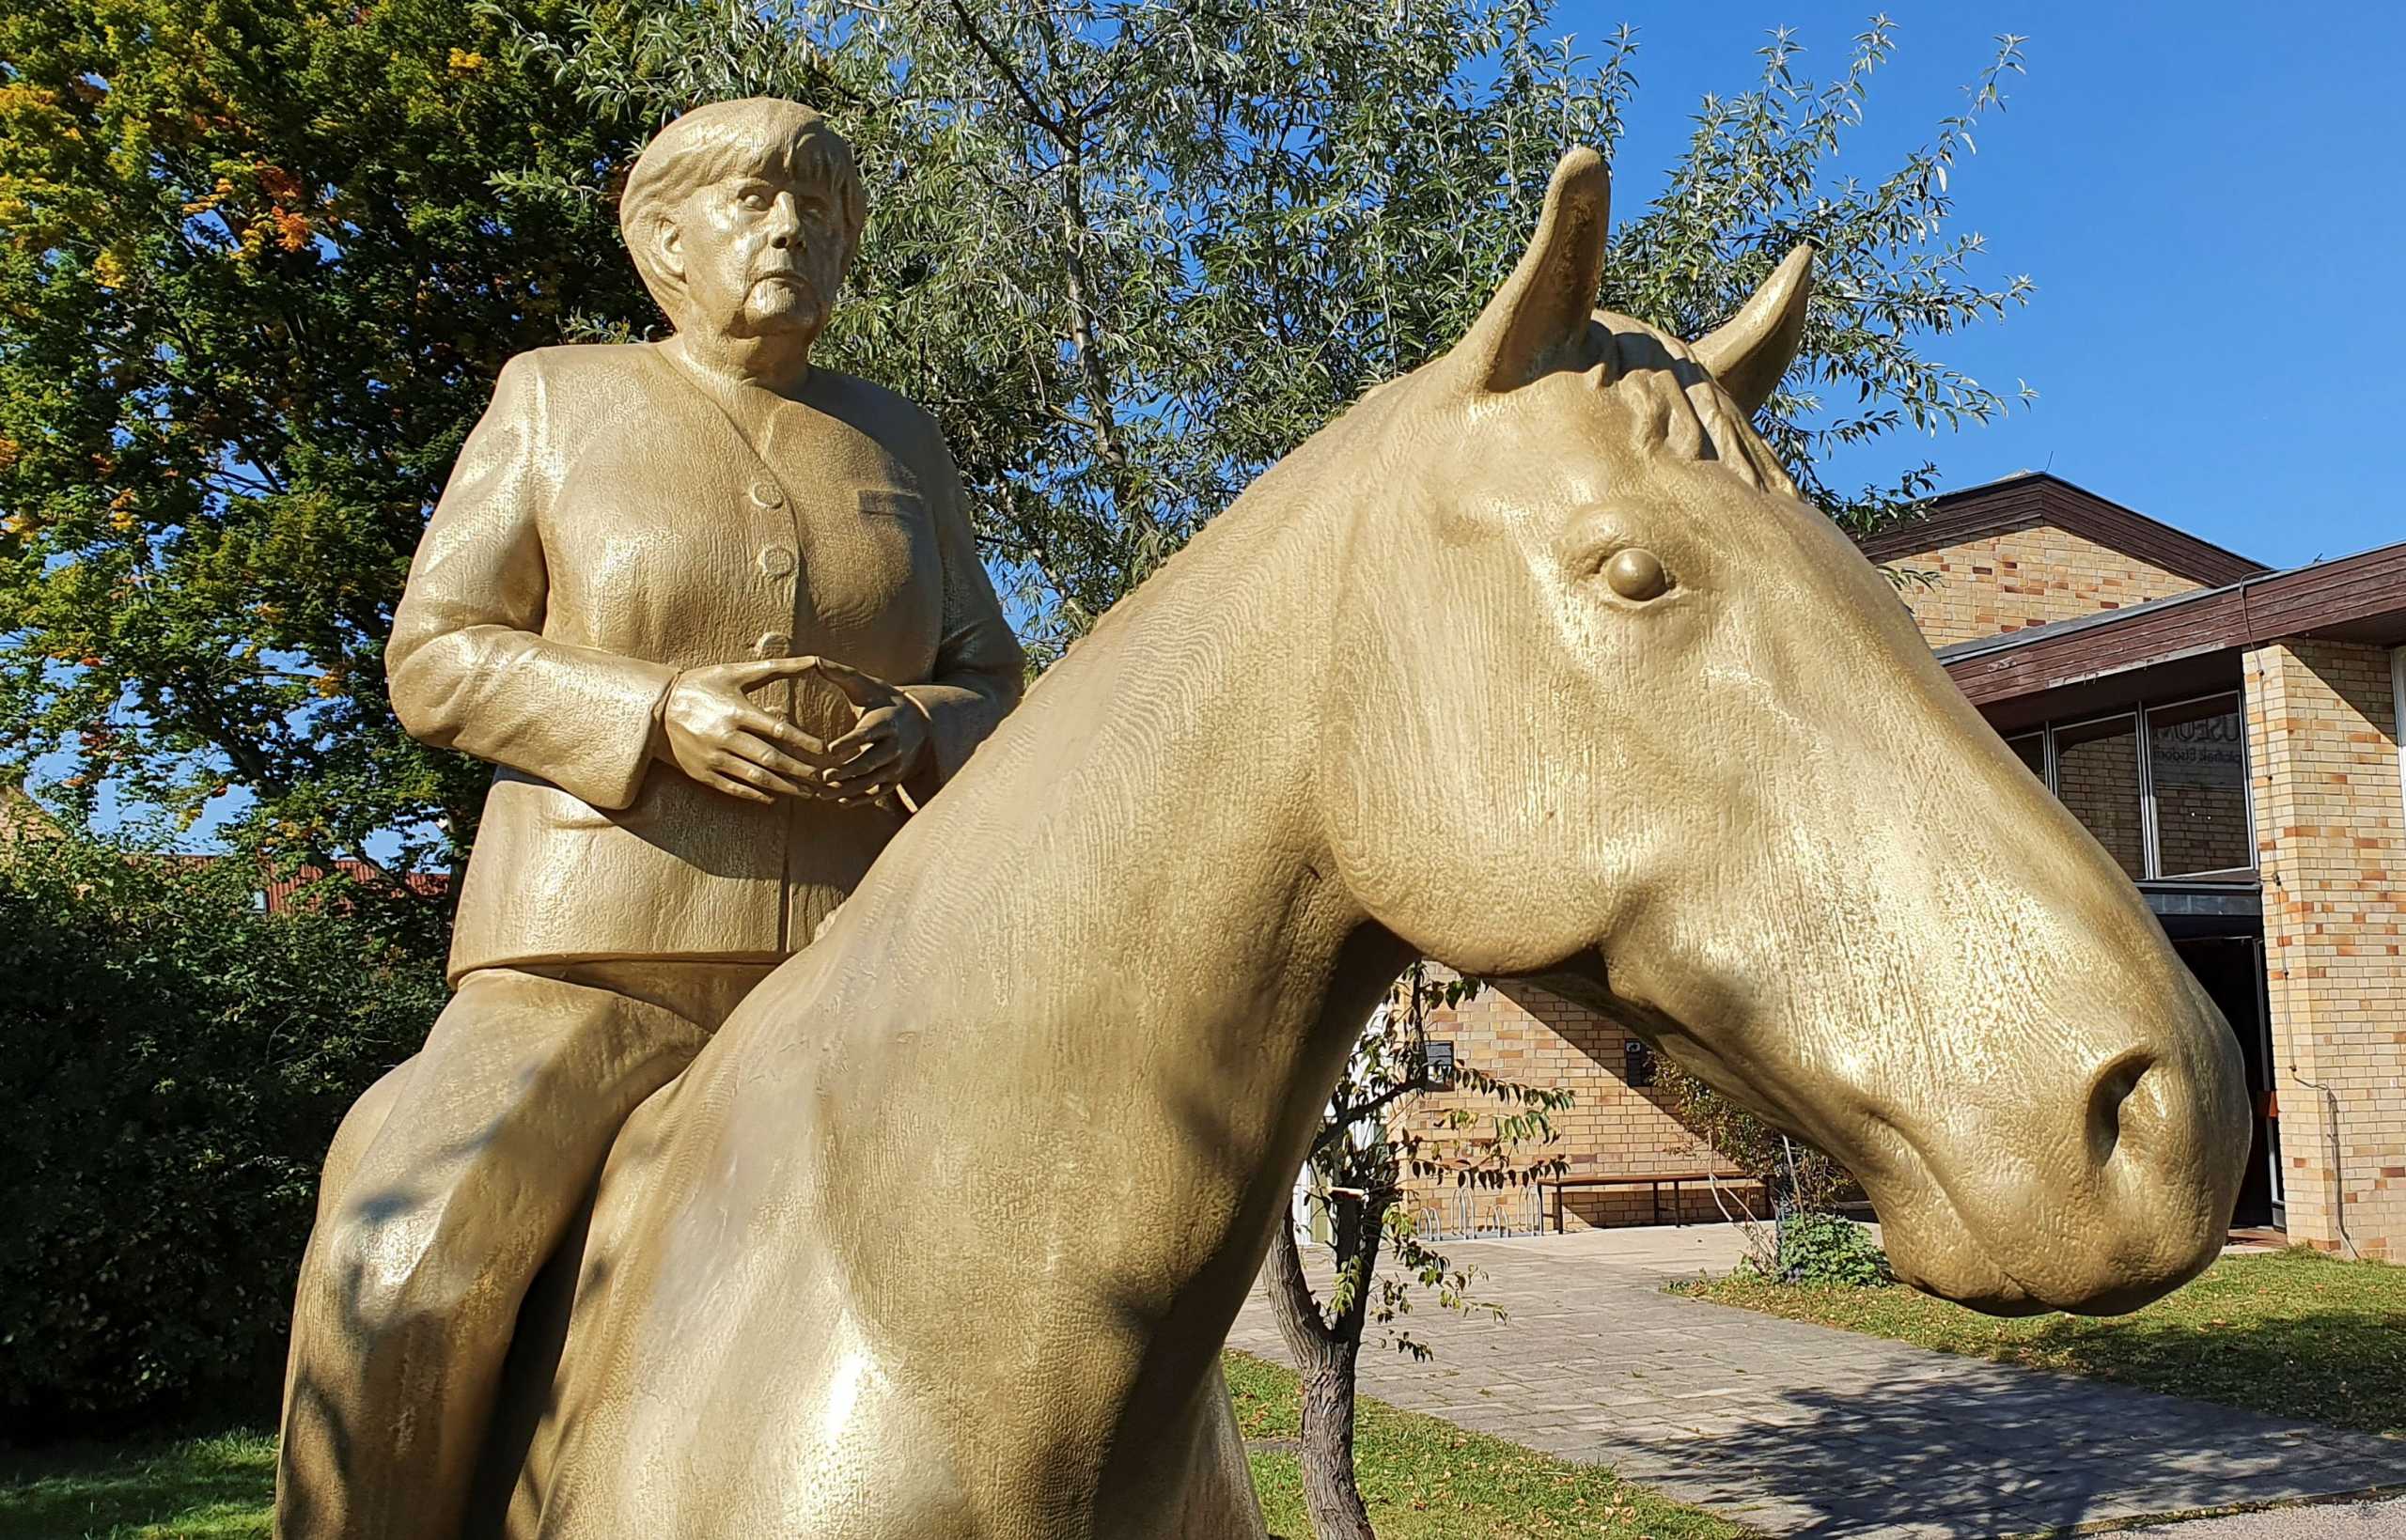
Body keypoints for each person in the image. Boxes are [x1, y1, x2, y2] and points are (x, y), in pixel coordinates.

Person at [273, 98, 1023, 1539]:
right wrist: (656, 714)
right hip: (588, 970)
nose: (795, 227)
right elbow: (434, 657)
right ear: (659, 236)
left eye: (822, 205)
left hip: (871, 970)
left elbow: (994, 675)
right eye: (751, 199)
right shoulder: (556, 398)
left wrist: (923, 722)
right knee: (403, 1260)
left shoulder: (901, 438)